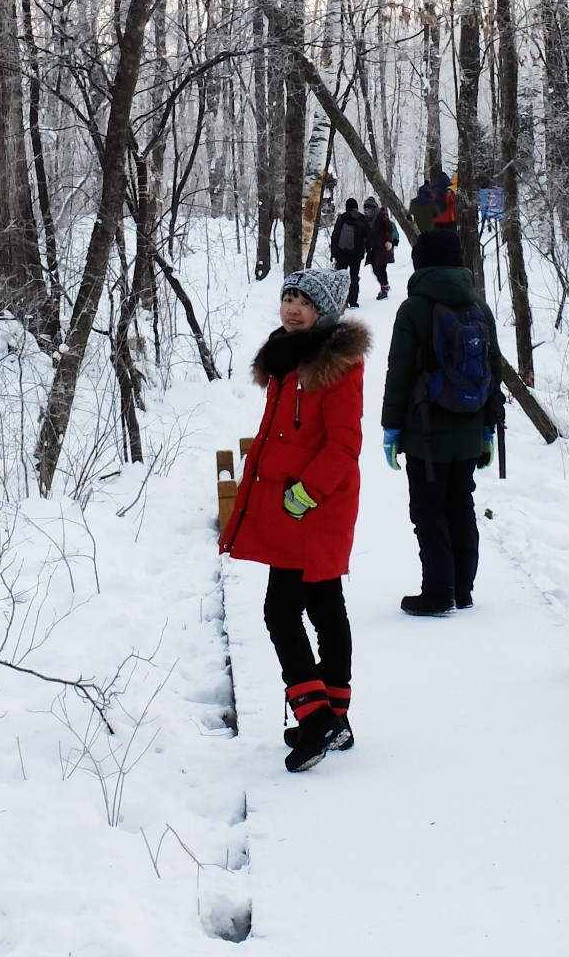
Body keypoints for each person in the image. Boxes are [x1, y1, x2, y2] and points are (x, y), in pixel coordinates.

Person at [220, 266, 369, 771]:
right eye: (288, 297)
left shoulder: (336, 367)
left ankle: (315, 718)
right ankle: (335, 716)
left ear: (322, 311)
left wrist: (306, 492)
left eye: (304, 301)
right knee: (325, 606)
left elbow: (345, 444)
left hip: (316, 507)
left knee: (281, 611)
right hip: (296, 506)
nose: (292, 307)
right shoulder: (285, 361)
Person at [380, 227, 504, 617]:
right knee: (461, 505)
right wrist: (489, 428)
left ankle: (437, 592)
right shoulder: (479, 307)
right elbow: (494, 372)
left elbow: (398, 373)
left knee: (428, 510)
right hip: (469, 428)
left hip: (425, 433)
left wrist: (391, 429)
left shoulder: (414, 309)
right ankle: (463, 590)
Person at [329, 196, 367, 310]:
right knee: (354, 277)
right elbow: (368, 236)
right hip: (356, 254)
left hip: (341, 253)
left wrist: (333, 251)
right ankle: (353, 302)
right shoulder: (362, 219)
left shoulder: (342, 218)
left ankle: (340, 301)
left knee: (340, 277)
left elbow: (335, 234)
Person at [362, 195, 397, 300]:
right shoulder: (366, 219)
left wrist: (389, 241)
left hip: (382, 247)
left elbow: (390, 229)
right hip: (372, 248)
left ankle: (384, 289)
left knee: (381, 268)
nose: (368, 210)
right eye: (366, 208)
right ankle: (384, 284)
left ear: (374, 208)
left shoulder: (381, 216)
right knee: (375, 269)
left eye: (369, 208)